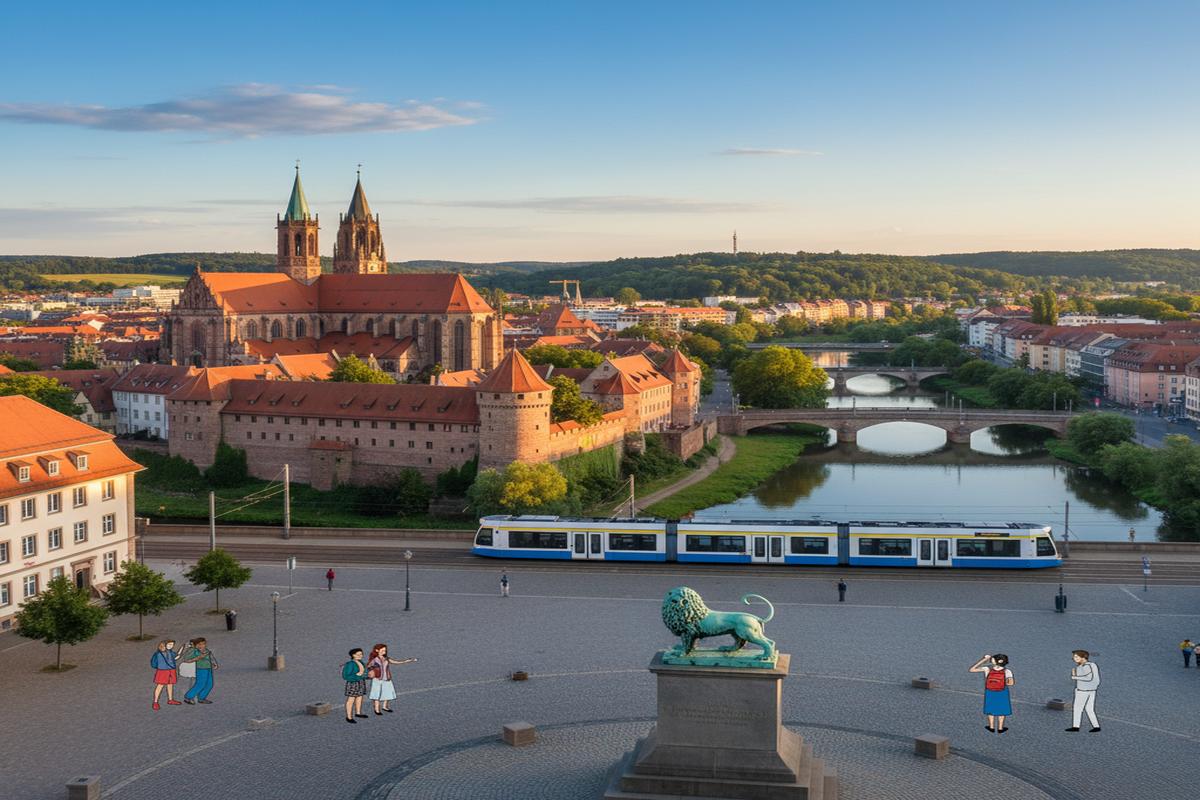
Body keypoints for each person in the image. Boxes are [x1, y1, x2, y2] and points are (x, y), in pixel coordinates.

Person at [367, 643, 417, 715]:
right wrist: (372, 671)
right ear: (377, 650)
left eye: (385, 650)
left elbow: (396, 662)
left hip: (387, 678)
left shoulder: (386, 658)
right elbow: (368, 667)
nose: (384, 651)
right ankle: (377, 709)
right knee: (377, 694)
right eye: (382, 650)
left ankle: (385, 706)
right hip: (377, 679)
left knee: (387, 693)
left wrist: (406, 661)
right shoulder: (375, 659)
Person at [969, 653, 1014, 733]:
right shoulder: (1007, 671)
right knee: (1002, 710)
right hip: (1002, 691)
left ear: (999, 661)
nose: (991, 659)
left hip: (989, 691)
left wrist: (984, 659)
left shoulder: (987, 668)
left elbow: (972, 669)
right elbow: (1011, 683)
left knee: (990, 709)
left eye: (993, 659)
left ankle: (991, 727)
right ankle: (1000, 728)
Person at [1066, 649, 1100, 732]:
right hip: (1092, 690)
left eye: (1076, 656)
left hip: (1083, 691)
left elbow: (1089, 678)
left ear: (1083, 657)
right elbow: (1096, 679)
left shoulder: (1085, 666)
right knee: (1089, 709)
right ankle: (1096, 726)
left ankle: (1076, 727)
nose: (1074, 658)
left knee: (1077, 708)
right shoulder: (1093, 665)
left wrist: (1074, 676)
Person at [181, 638, 218, 704]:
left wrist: (214, 663)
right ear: (195, 645)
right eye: (199, 644)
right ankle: (188, 697)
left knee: (209, 684)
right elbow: (186, 659)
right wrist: (198, 657)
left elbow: (211, 658)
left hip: (208, 668)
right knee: (200, 684)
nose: (202, 646)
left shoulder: (207, 651)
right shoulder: (194, 651)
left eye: (203, 644)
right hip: (200, 669)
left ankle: (201, 698)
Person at [150, 639, 182, 710]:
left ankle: (170, 700)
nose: (171, 646)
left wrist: (180, 650)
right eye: (169, 644)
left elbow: (176, 658)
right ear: (164, 644)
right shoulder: (159, 654)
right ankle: (155, 702)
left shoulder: (170, 652)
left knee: (170, 685)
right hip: (163, 671)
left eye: (172, 645)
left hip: (171, 670)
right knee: (160, 685)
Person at [343, 648, 369, 723]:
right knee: (351, 699)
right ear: (353, 655)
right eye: (358, 654)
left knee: (359, 697)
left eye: (361, 654)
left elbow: (365, 672)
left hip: (361, 682)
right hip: (353, 683)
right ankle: (349, 717)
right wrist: (357, 676)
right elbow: (345, 676)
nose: (360, 656)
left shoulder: (361, 662)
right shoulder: (350, 664)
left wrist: (366, 676)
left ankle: (358, 713)